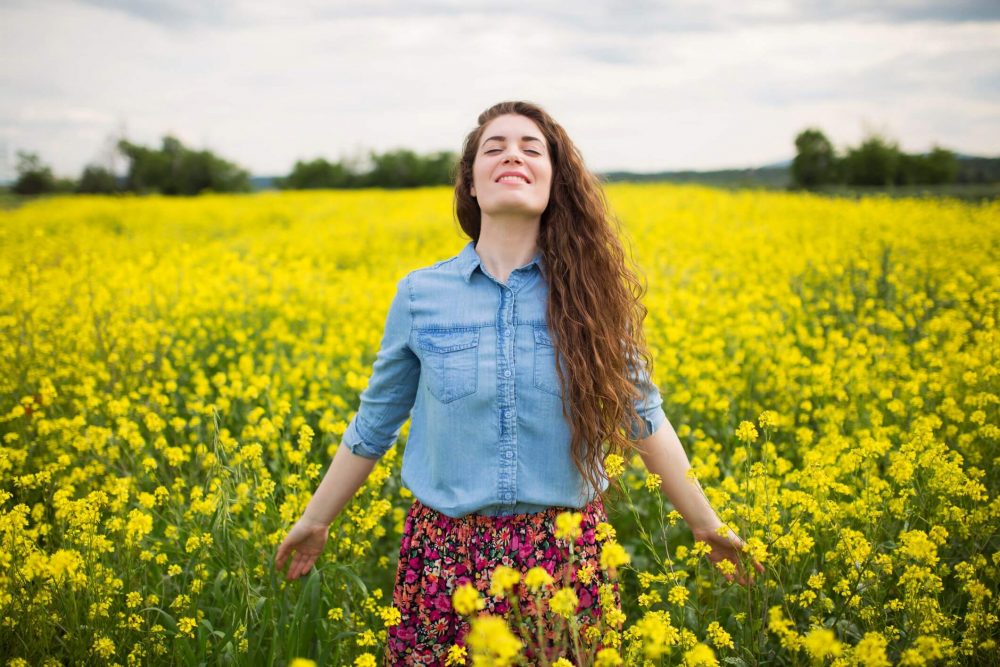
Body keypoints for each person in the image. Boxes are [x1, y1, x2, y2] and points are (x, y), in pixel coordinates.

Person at [275, 100, 764, 665]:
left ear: (554, 183)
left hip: (564, 554)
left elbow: (644, 415)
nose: (513, 154)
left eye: (532, 148)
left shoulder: (591, 297)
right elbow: (374, 423)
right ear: (470, 184)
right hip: (444, 556)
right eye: (495, 147)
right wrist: (316, 521)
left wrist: (707, 526)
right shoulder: (420, 295)